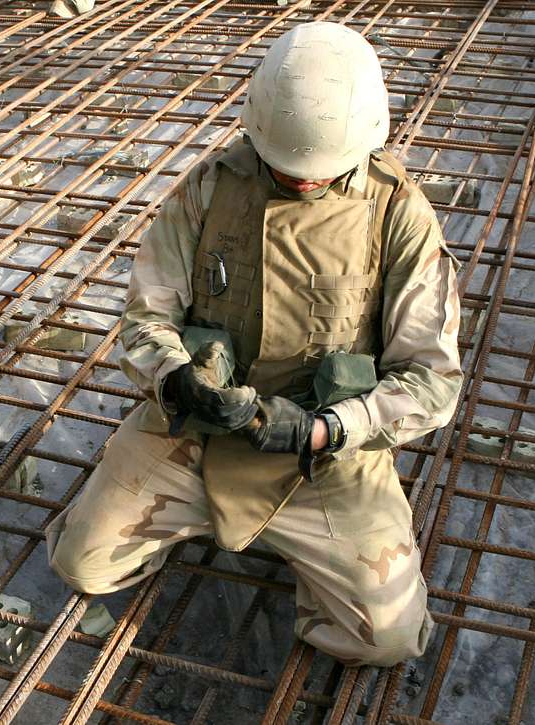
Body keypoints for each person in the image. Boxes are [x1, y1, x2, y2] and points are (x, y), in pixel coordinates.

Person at [45, 21, 462, 667]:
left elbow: (431, 380)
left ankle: (315, 559)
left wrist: (324, 429)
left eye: (318, 171)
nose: (301, 179)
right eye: (285, 165)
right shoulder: (212, 187)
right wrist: (177, 379)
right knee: (83, 564)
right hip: (200, 430)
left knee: (387, 639)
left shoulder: (397, 214)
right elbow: (146, 316)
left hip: (326, 455)